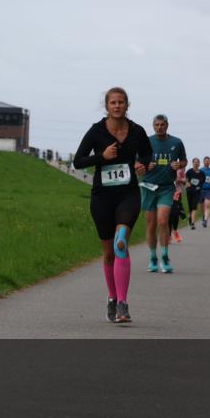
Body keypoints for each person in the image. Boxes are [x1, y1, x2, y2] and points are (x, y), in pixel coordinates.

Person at [73, 87, 152, 323]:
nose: (117, 106)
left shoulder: (137, 131)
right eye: (113, 103)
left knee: (120, 244)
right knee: (109, 254)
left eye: (121, 102)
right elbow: (78, 161)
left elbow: (147, 154)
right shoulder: (96, 131)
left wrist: (142, 164)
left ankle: (122, 305)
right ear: (106, 106)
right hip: (102, 197)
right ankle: (112, 296)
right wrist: (102, 157)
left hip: (128, 195)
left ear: (127, 105)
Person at [140, 114, 187, 273]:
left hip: (167, 187)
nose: (159, 127)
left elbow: (184, 161)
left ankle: (165, 257)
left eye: (162, 125)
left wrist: (179, 164)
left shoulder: (176, 142)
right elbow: (137, 163)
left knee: (162, 221)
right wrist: (145, 165)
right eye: (157, 125)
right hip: (148, 186)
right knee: (151, 225)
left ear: (167, 125)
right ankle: (153, 258)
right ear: (153, 126)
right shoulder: (146, 142)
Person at [184, 157, 205, 229]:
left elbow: (202, 182)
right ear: (192, 163)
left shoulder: (202, 173)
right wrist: (186, 183)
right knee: (190, 207)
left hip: (197, 192)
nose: (196, 163)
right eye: (194, 162)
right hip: (189, 191)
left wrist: (199, 187)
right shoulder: (189, 171)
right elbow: (186, 180)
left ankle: (192, 223)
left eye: (197, 162)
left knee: (194, 206)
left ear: (199, 164)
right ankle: (190, 217)